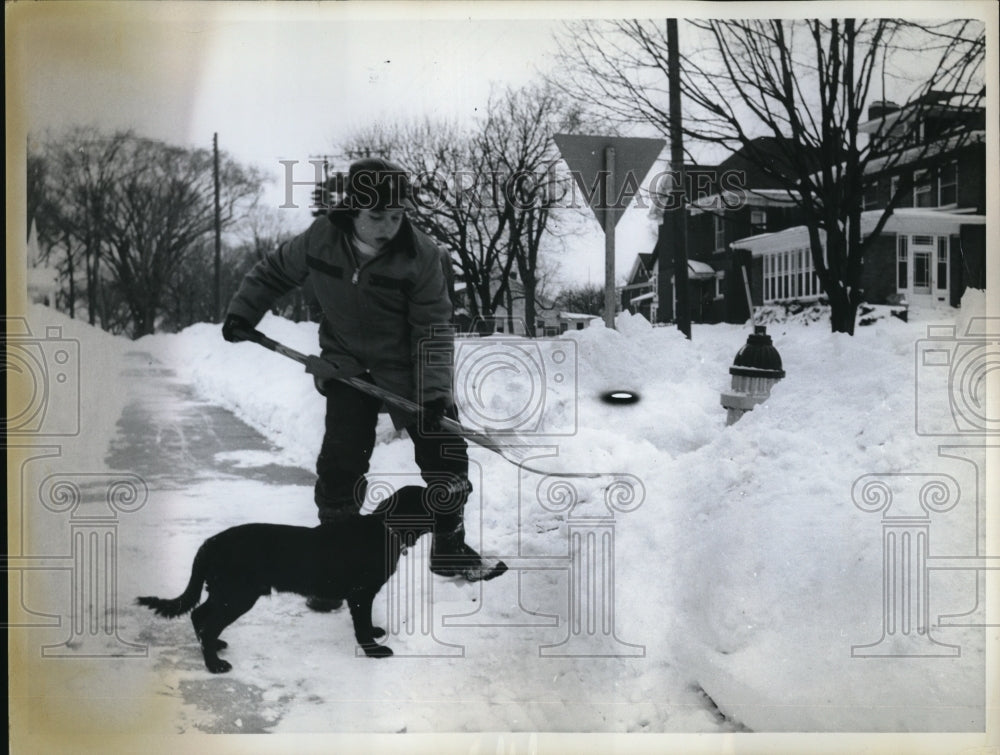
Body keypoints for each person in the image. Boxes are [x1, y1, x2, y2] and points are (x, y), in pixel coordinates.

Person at [222, 158, 505, 606]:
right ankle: (333, 563)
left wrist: (432, 394)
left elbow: (434, 328)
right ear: (352, 209)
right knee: (341, 463)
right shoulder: (321, 239)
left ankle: (449, 548)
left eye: (396, 216)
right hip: (346, 367)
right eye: (377, 216)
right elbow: (273, 273)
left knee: (446, 456)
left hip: (408, 370)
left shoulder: (422, 256)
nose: (388, 226)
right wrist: (243, 312)